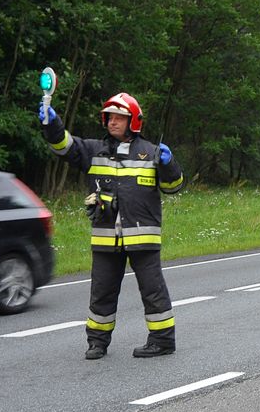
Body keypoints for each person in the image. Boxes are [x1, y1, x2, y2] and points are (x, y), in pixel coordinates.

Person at [38, 93, 184, 359]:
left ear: (133, 121)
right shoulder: (94, 150)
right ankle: (97, 342)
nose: (113, 122)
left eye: (119, 118)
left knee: (153, 291)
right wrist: (52, 124)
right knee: (101, 292)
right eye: (109, 117)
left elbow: (173, 187)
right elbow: (64, 146)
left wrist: (169, 165)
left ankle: (163, 341)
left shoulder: (151, 152)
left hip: (143, 238)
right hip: (106, 238)